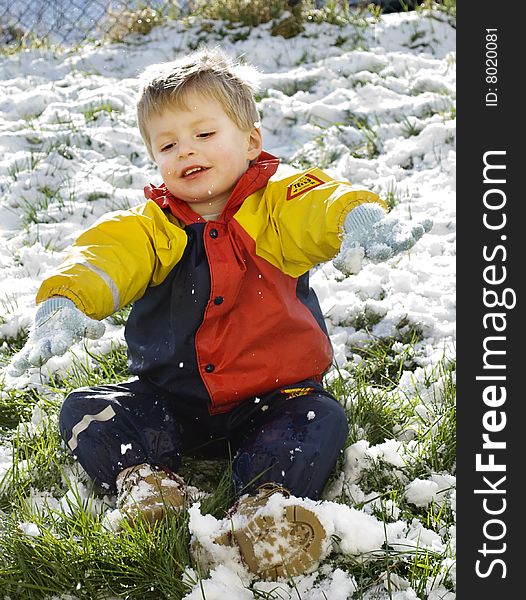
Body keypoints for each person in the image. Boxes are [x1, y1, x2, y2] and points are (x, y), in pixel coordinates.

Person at [9, 48, 430, 580]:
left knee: (319, 419)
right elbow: (105, 255)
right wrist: (65, 303)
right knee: (86, 409)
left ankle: (265, 507)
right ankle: (146, 484)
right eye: (168, 144)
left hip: (275, 396)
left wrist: (360, 220)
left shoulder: (277, 207)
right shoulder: (153, 226)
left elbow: (321, 204)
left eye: (204, 135)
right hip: (171, 399)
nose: (186, 151)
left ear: (251, 141)